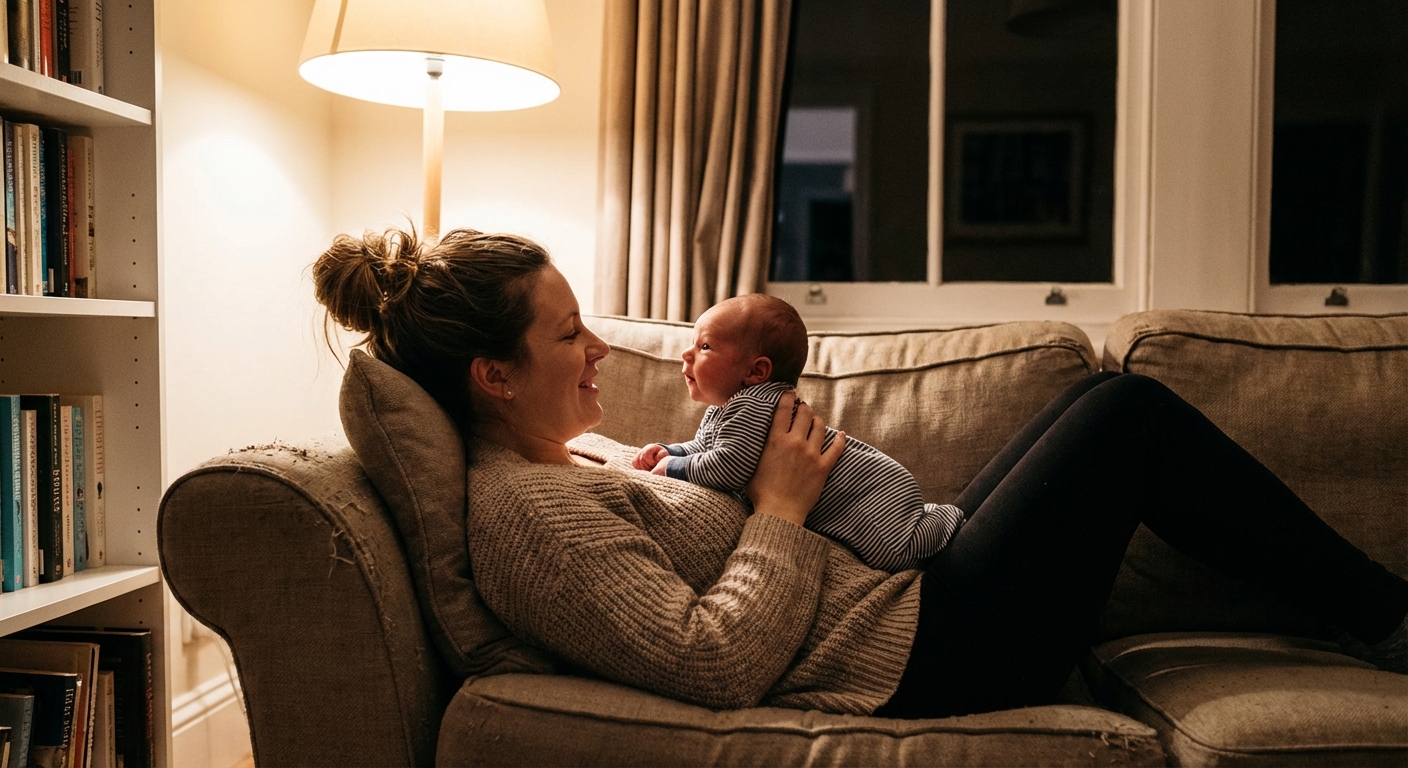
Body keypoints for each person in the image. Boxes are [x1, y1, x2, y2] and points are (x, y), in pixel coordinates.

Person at [313, 226, 1408, 719]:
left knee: (1094, 401)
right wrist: (781, 511)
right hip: (935, 656)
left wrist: (661, 470)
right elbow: (707, 666)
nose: (599, 348)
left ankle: (1376, 610)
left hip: (913, 597)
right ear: (492, 377)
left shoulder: (564, 462)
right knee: (1126, 419)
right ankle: (1385, 614)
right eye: (566, 337)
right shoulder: (526, 518)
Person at [632, 294, 965, 572]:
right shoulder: (727, 409)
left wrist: (671, 468)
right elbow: (706, 449)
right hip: (882, 485)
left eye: (705, 346)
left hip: (869, 490)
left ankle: (940, 523)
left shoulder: (754, 403)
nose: (686, 354)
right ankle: (937, 521)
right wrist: (671, 451)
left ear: (756, 371)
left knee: (895, 553)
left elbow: (730, 466)